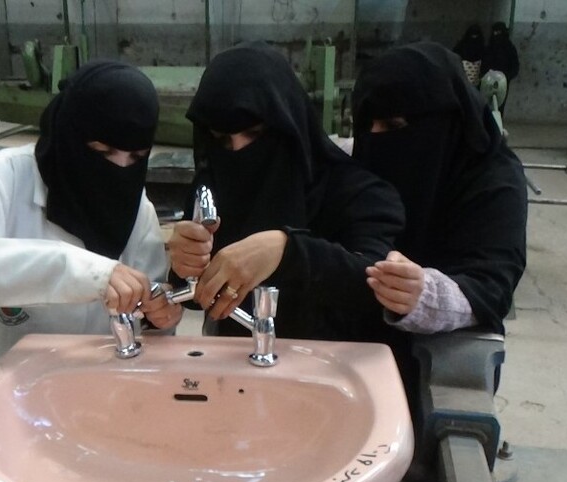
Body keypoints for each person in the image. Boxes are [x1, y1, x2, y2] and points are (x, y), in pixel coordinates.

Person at [0, 60, 181, 406]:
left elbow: (147, 320)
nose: (120, 169)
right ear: (70, 133)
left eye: (136, 157)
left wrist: (159, 316)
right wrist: (79, 269)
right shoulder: (3, 177)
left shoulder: (137, 209)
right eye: (103, 152)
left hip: (75, 408)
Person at [351, 42, 527, 473]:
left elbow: (492, 284)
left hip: (439, 351)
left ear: (444, 119)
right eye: (365, 124)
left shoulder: (492, 179)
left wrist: (426, 295)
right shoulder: (367, 162)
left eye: (393, 124)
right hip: (357, 349)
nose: (376, 139)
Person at [167, 41, 404, 342]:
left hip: (332, 366)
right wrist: (183, 265)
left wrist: (288, 250)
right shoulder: (215, 186)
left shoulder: (355, 191)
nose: (238, 152)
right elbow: (195, 295)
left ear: (288, 122)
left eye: (255, 134)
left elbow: (377, 283)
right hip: (234, 365)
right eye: (222, 140)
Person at [481, 21, 520, 114]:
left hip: (503, 82)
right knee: (486, 104)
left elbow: (515, 66)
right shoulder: (489, 47)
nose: (496, 35)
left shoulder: (509, 48)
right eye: (494, 32)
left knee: (500, 104)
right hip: (488, 80)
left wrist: (507, 77)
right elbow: (484, 63)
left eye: (498, 32)